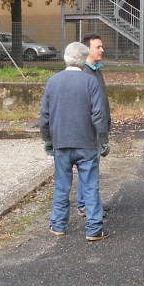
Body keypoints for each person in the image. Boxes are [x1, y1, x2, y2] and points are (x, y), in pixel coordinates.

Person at [40, 41, 110, 242]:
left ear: (66, 58)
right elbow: (98, 115)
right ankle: (94, 228)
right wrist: (103, 139)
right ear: (83, 59)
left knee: (62, 185)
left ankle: (58, 224)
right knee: (90, 186)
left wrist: (47, 140)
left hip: (61, 141)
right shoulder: (90, 82)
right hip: (86, 143)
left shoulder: (53, 81)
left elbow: (45, 115)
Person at [79, 32, 110, 217]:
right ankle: (85, 204)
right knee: (88, 169)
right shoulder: (84, 72)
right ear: (86, 50)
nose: (102, 50)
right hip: (90, 131)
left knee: (92, 168)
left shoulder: (96, 70)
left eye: (101, 46)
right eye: (97, 47)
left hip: (98, 128)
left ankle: (91, 201)